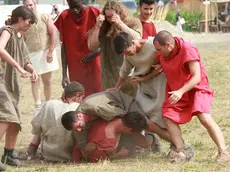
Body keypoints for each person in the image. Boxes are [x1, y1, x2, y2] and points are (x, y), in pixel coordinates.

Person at [153, 30, 230, 163]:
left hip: (196, 88)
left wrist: (180, 91)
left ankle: (223, 152)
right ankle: (181, 152)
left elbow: (197, 76)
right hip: (177, 90)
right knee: (168, 117)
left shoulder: (187, 49)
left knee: (204, 117)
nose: (157, 53)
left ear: (168, 45)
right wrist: (141, 78)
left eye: (159, 49)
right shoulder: (164, 53)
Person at [0, 6, 38, 171]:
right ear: (20, 19)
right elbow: (0, 49)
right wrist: (19, 68)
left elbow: (25, 59)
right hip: (1, 81)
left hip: (12, 85)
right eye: (29, 21)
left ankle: (8, 155)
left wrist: (32, 69)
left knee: (15, 122)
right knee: (7, 117)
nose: (30, 25)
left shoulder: (20, 36)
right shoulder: (7, 30)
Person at [15, 82, 84, 162]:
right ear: (77, 96)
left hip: (48, 154)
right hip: (70, 155)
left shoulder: (49, 104)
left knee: (40, 124)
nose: (82, 100)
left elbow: (36, 128)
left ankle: (30, 152)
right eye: (82, 97)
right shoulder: (79, 109)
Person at [88, 0, 142, 95]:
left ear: (120, 13)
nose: (110, 19)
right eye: (107, 17)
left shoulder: (133, 22)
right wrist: (97, 26)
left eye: (112, 16)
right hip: (108, 75)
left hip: (127, 74)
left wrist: (120, 24)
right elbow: (92, 46)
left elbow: (137, 38)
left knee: (130, 103)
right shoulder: (104, 27)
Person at [54, 0, 101, 96]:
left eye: (77, 6)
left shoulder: (94, 13)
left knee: (98, 94)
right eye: (71, 7)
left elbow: (107, 39)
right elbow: (64, 46)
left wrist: (95, 53)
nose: (75, 10)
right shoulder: (64, 16)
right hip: (75, 66)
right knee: (78, 95)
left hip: (95, 63)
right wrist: (64, 74)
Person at [67, 112, 153, 162]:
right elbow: (91, 153)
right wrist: (119, 154)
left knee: (145, 143)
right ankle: (152, 136)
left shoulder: (113, 115)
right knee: (146, 143)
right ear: (129, 129)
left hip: (112, 131)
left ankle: (151, 136)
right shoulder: (108, 141)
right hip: (97, 146)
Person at [23, 0, 59, 107]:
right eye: (26, 5)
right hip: (31, 53)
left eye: (31, 4)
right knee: (34, 80)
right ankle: (38, 104)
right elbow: (21, 39)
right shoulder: (22, 22)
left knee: (47, 81)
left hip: (46, 52)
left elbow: (53, 34)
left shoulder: (44, 17)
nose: (29, 7)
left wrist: (51, 52)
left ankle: (48, 103)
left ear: (35, 5)